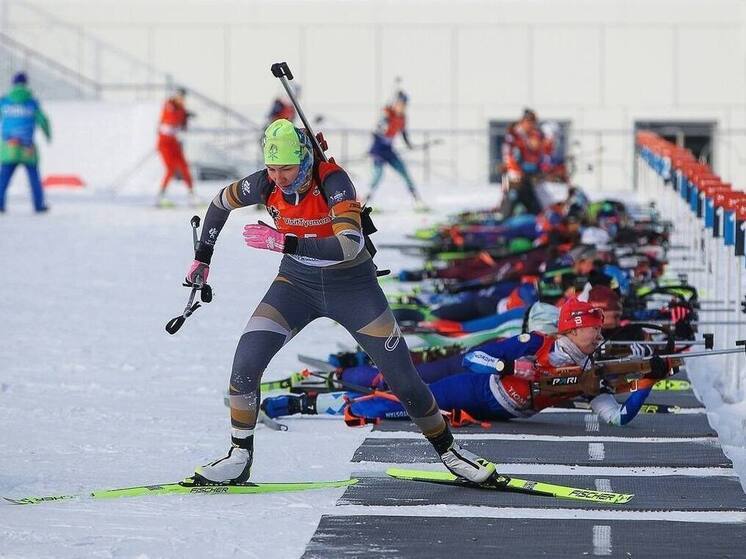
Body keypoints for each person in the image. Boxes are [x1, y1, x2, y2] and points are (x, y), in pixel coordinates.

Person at [184, 118, 495, 485]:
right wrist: (203, 257)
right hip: (295, 285)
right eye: (272, 168)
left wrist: (284, 242)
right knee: (245, 363)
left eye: (286, 168)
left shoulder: (333, 180)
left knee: (402, 380)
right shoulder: (265, 183)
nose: (279, 178)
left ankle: (450, 451)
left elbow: (349, 246)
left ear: (303, 160)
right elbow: (220, 202)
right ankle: (239, 455)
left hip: (353, 289)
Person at [263, 298, 670, 426]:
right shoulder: (538, 342)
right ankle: (319, 388)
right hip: (476, 386)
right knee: (405, 394)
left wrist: (648, 380)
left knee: (404, 393)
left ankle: (324, 390)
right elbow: (478, 358)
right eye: (591, 329)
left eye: (598, 331)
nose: (597, 336)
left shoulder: (590, 376)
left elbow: (617, 418)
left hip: (503, 410)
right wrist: (508, 369)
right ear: (570, 330)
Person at [0, 72, 51, 213]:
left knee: (3, 179)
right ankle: (39, 205)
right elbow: (43, 120)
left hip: (9, 147)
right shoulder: (31, 102)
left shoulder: (4, 101)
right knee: (34, 179)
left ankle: (0, 204)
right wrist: (48, 135)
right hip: (27, 148)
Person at [366, 91, 426, 210]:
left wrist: (410, 145)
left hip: (389, 149)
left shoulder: (402, 118)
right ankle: (365, 201)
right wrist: (383, 123)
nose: (402, 107)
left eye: (404, 105)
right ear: (395, 104)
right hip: (378, 149)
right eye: (400, 104)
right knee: (377, 176)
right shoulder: (387, 115)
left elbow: (404, 133)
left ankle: (417, 200)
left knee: (404, 172)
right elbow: (376, 131)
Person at [501, 108, 545, 216]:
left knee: (531, 201)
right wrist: (516, 171)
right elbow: (509, 157)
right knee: (510, 196)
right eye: (529, 122)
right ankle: (504, 218)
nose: (531, 125)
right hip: (510, 175)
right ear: (523, 121)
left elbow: (537, 156)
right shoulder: (514, 135)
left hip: (526, 176)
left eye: (533, 122)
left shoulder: (533, 136)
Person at [156, 87, 195, 207]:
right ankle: (161, 195)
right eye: (179, 97)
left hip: (174, 143)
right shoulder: (170, 105)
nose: (182, 100)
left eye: (183, 98)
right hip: (164, 143)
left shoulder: (181, 109)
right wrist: (183, 116)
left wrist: (186, 118)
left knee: (184, 166)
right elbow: (171, 119)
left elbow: (182, 127)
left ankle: (191, 194)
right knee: (171, 169)